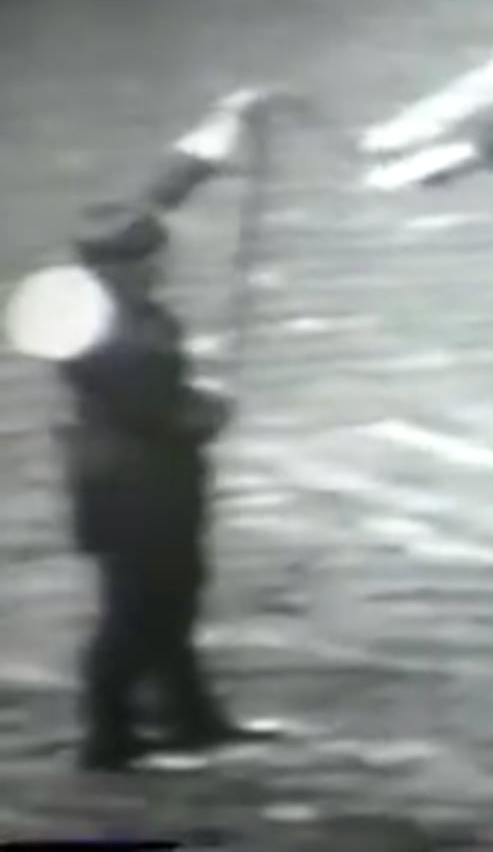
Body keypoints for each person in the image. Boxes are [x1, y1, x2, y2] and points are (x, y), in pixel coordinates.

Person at [47, 89, 294, 773]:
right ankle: (109, 738)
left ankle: (192, 721)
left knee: (176, 593)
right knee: (139, 607)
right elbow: (166, 415)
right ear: (116, 269)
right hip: (137, 480)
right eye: (147, 264)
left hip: (128, 470)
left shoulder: (83, 283)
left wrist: (228, 123)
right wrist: (209, 412)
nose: (160, 269)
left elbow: (161, 191)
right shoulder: (118, 339)